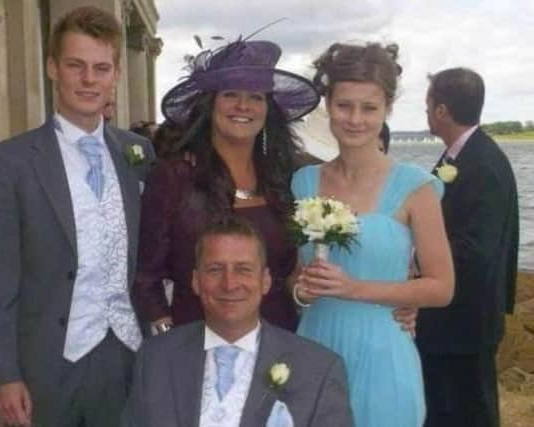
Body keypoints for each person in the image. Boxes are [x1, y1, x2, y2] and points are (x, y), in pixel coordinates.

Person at [0, 7, 155, 427]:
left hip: (128, 356)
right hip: (49, 363)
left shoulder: (138, 154)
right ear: (53, 68)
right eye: (76, 65)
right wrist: (5, 375)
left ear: (115, 76)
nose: (89, 80)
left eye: (101, 68)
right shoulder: (9, 162)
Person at [291, 42, 455, 427]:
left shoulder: (417, 188)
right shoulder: (303, 182)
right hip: (315, 344)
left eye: (370, 108)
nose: (355, 119)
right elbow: (294, 278)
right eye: (344, 105)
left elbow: (441, 287)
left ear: (387, 110)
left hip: (384, 354)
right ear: (328, 104)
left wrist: (355, 289)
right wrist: (300, 291)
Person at [133, 39, 320, 334]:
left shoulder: (286, 178)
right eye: (230, 94)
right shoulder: (175, 176)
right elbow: (146, 274)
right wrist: (166, 339)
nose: (243, 105)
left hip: (278, 338)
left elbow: (293, 272)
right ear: (211, 104)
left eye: (256, 97)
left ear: (267, 109)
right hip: (194, 340)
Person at [122, 216, 354, 427]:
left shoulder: (318, 368)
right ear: (195, 281)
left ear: (265, 281)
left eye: (243, 269)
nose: (229, 284)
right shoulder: (156, 358)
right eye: (215, 270)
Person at [417, 67, 519, 427]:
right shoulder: (460, 156)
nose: (425, 112)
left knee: (472, 412)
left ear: (442, 110)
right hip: (449, 320)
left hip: (466, 319)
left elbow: (477, 250)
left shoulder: (483, 164)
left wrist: (417, 258)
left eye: (428, 104)